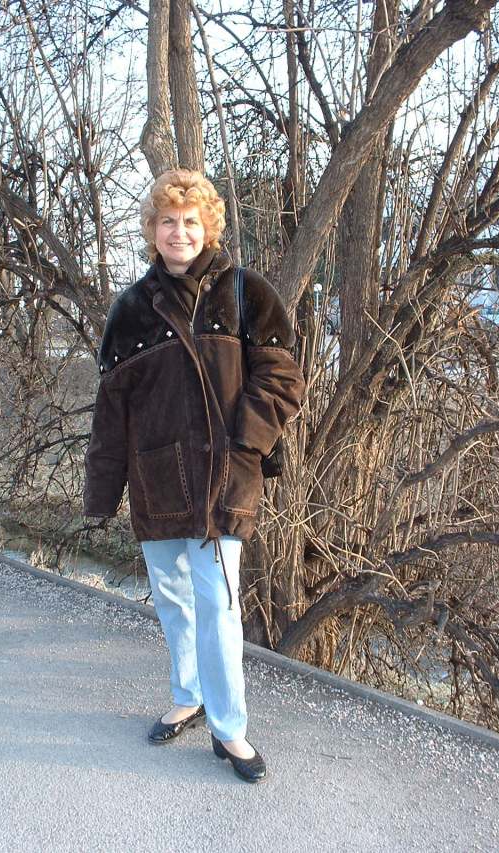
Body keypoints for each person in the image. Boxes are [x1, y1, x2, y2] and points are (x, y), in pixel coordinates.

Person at [83, 168, 305, 783]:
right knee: (174, 600)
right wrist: (102, 490)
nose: (178, 232)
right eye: (167, 221)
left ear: (208, 226)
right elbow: (111, 411)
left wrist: (245, 444)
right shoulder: (130, 311)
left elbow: (283, 379)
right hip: (155, 480)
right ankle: (188, 694)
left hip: (222, 478)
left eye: (189, 221)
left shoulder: (246, 293)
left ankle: (229, 729)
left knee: (219, 606)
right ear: (152, 230)